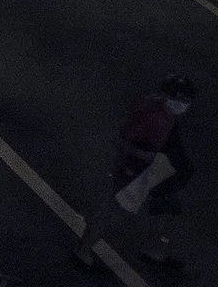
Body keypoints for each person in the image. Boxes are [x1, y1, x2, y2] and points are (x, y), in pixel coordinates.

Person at [74, 74, 197, 272]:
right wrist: (144, 156)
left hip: (148, 170)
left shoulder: (167, 114)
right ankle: (83, 250)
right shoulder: (151, 113)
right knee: (113, 211)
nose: (182, 104)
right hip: (133, 170)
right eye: (179, 98)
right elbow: (122, 140)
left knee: (158, 208)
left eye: (186, 100)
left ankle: (90, 246)